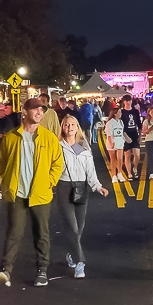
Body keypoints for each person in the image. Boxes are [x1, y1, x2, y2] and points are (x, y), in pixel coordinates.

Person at [0, 97, 64, 288]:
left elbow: (57, 164)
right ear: (24, 111)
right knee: (14, 233)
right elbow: (1, 162)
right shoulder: (11, 137)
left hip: (40, 194)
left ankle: (42, 270)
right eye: (35, 109)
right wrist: (3, 184)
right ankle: (6, 269)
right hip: (17, 194)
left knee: (41, 234)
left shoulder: (48, 137)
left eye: (42, 110)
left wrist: (49, 182)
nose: (40, 112)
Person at [57, 115, 109, 279]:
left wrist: (97, 186)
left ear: (77, 127)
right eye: (66, 124)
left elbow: (90, 169)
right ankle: (80, 262)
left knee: (79, 226)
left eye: (73, 124)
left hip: (81, 187)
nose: (70, 127)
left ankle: (72, 253)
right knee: (71, 226)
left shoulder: (82, 146)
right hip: (64, 187)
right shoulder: (57, 146)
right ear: (62, 127)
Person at [120, 96, 142, 180]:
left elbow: (139, 124)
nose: (128, 102)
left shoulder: (135, 111)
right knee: (127, 155)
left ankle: (135, 168)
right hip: (126, 134)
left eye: (129, 101)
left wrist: (140, 136)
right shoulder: (122, 112)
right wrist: (125, 136)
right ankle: (129, 173)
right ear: (124, 102)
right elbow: (120, 125)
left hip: (134, 134)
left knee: (137, 154)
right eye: (126, 101)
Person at [104, 107, 126, 183]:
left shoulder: (121, 122)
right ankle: (113, 175)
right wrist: (111, 143)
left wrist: (125, 139)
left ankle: (119, 173)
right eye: (119, 112)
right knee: (113, 159)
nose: (121, 114)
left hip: (120, 142)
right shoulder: (110, 123)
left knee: (120, 158)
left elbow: (122, 132)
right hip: (112, 142)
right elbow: (109, 134)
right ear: (115, 114)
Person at [142, 106, 153, 174]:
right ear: (149, 113)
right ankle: (151, 171)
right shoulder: (146, 121)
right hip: (149, 140)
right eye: (152, 112)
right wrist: (150, 129)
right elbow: (144, 131)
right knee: (150, 156)